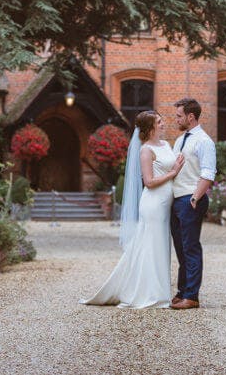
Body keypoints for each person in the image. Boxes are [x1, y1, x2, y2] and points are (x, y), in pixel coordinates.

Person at [80, 110, 184, 309]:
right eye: (159, 122)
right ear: (150, 127)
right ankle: (149, 293)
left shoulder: (166, 145)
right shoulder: (146, 150)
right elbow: (150, 182)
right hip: (153, 204)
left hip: (166, 203)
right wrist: (173, 172)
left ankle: (161, 291)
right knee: (151, 246)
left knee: (161, 246)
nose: (163, 124)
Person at [170, 98, 216, 310]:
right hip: (176, 199)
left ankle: (192, 296)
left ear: (191, 116)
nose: (176, 119)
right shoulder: (180, 140)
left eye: (179, 116)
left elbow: (208, 172)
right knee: (180, 249)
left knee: (191, 248)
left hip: (191, 199)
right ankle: (182, 291)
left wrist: (195, 198)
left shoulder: (204, 141)